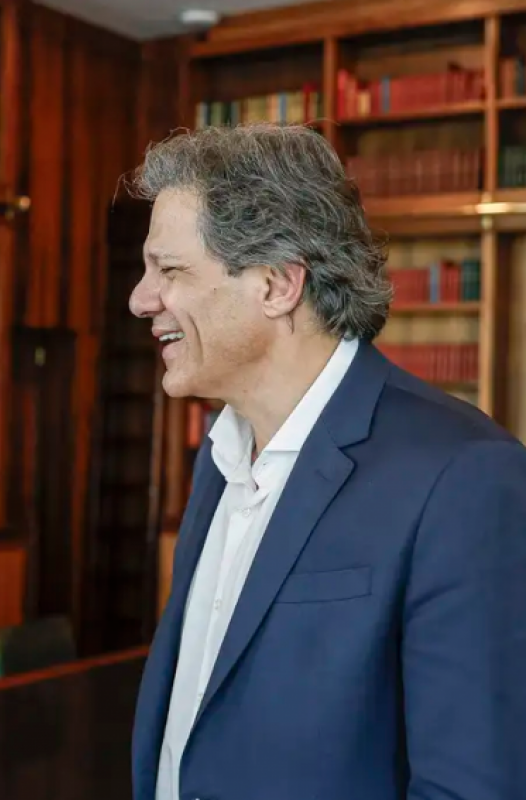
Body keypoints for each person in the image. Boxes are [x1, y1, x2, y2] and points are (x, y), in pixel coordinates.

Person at [126, 123, 526, 800]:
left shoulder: (465, 476)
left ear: (278, 285)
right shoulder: (219, 457)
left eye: (169, 270)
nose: (141, 299)